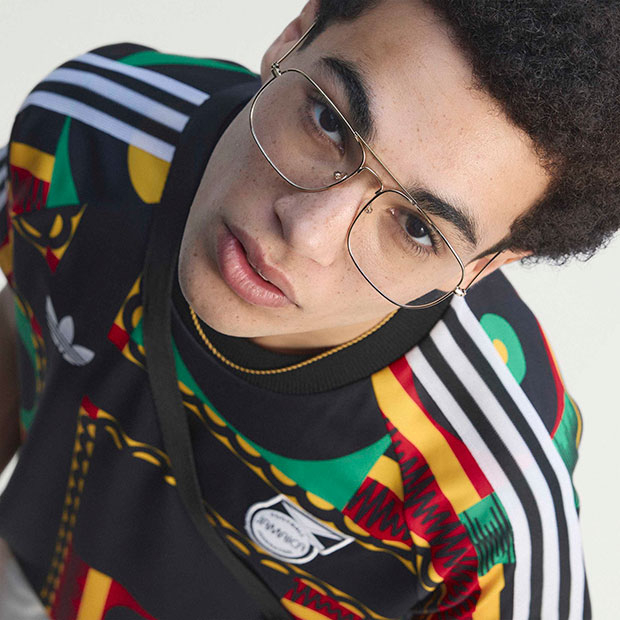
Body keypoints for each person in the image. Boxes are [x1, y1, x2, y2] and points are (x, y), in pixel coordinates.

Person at [0, 0, 617, 617]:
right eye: (328, 122)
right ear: (294, 35)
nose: (307, 232)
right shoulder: (87, 135)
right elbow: (21, 317)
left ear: (482, 267)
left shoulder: (494, 499)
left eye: (416, 228)